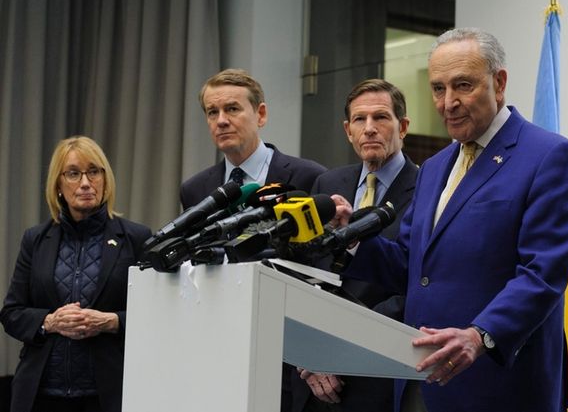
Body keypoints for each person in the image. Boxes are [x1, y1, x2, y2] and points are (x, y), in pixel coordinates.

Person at [332, 28, 568, 412]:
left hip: (499, 385)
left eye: (462, 85)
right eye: (437, 88)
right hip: (421, 380)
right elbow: (409, 264)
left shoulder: (550, 156)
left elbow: (542, 273)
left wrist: (481, 335)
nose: (448, 102)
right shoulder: (434, 167)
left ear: (498, 83)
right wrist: (349, 236)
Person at [291, 79, 418, 412]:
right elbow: (305, 271)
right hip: (313, 376)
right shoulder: (327, 184)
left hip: (378, 371)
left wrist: (344, 343)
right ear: (348, 130)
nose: (370, 128)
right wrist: (310, 350)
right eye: (360, 120)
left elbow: (415, 285)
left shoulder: (428, 189)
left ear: (403, 127)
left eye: (381, 118)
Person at [1, 136, 152, 412]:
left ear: (105, 179)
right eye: (73, 173)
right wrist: (50, 321)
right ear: (58, 185)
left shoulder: (135, 238)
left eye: (93, 171)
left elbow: (156, 317)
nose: (85, 183)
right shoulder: (35, 239)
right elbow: (11, 313)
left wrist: (110, 321)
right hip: (41, 395)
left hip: (106, 394)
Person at [180, 68, 326, 209]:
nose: (221, 121)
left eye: (232, 109)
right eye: (212, 112)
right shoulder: (194, 190)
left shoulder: (310, 176)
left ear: (261, 115)